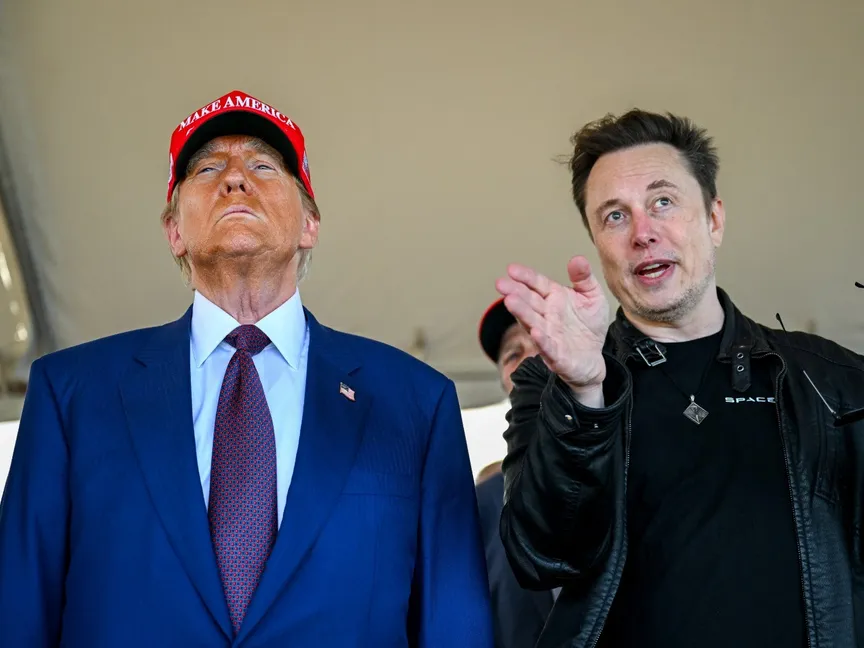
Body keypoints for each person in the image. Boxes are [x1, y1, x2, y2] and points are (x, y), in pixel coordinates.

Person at [0, 90, 493, 647]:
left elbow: (454, 624)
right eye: (208, 168)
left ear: (310, 224)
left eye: (262, 166)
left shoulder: (414, 403)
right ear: (174, 231)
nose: (234, 179)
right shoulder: (71, 394)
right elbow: (17, 613)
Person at [495, 109, 864, 648]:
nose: (643, 233)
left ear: (714, 219)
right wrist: (584, 392)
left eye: (663, 202)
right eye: (614, 216)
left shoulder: (834, 381)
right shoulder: (553, 386)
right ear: (596, 243)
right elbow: (541, 557)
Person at [474, 297, 556, 648]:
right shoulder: (482, 504)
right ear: (504, 382)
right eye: (513, 354)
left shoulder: (633, 466)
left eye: (544, 343)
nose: (531, 359)